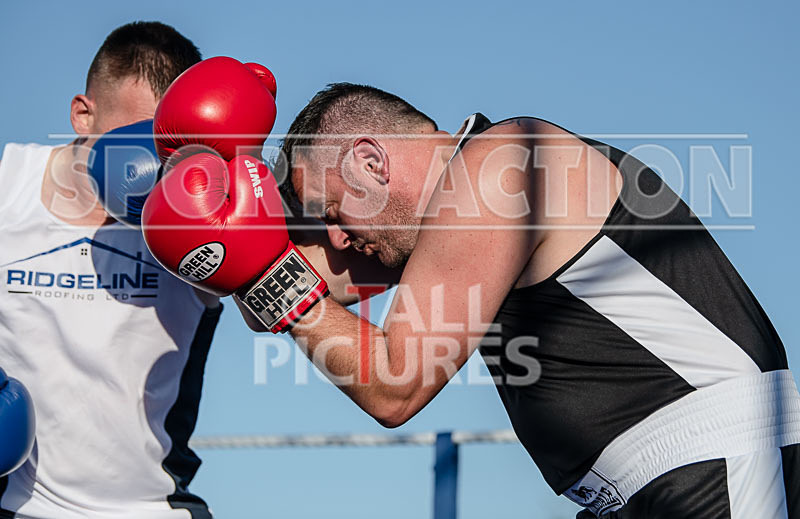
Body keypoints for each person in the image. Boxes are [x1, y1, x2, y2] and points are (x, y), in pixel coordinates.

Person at [139, 76, 800, 518]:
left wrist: (264, 269)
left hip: (722, 468)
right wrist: (227, 198)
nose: (338, 235)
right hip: (657, 488)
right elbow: (299, 293)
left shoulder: (499, 165)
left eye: (333, 211)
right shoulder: (448, 233)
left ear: (372, 163)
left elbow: (393, 384)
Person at [0, 22, 222, 518]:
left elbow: (323, 277)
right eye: (134, 137)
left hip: (154, 508)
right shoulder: (5, 191)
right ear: (83, 114)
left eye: (164, 145)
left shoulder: (202, 214)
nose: (147, 162)